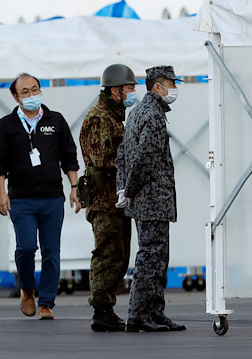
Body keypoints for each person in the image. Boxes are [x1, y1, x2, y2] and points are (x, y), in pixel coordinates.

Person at [0, 73, 81, 320]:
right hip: (21, 199)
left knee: (52, 251)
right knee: (26, 247)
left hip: (52, 198)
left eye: (35, 90)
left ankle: (46, 303)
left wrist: (74, 187)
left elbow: (69, 156)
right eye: (26, 92)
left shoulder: (56, 120)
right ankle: (27, 289)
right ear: (16, 97)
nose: (32, 96)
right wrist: (1, 193)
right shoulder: (7, 125)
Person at [115, 65, 186, 332]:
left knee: (155, 257)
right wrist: (130, 190)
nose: (174, 88)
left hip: (142, 199)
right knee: (152, 258)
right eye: (171, 83)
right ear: (157, 87)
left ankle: (154, 312)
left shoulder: (136, 113)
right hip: (152, 200)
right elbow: (146, 159)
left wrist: (124, 189)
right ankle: (140, 315)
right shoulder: (153, 116)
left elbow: (122, 155)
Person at [79, 64, 138, 332]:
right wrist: (132, 160)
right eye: (129, 88)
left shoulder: (113, 116)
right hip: (104, 200)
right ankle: (100, 311)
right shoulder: (100, 118)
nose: (132, 92)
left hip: (114, 198)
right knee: (107, 254)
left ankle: (107, 308)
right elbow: (102, 159)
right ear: (116, 91)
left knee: (119, 255)